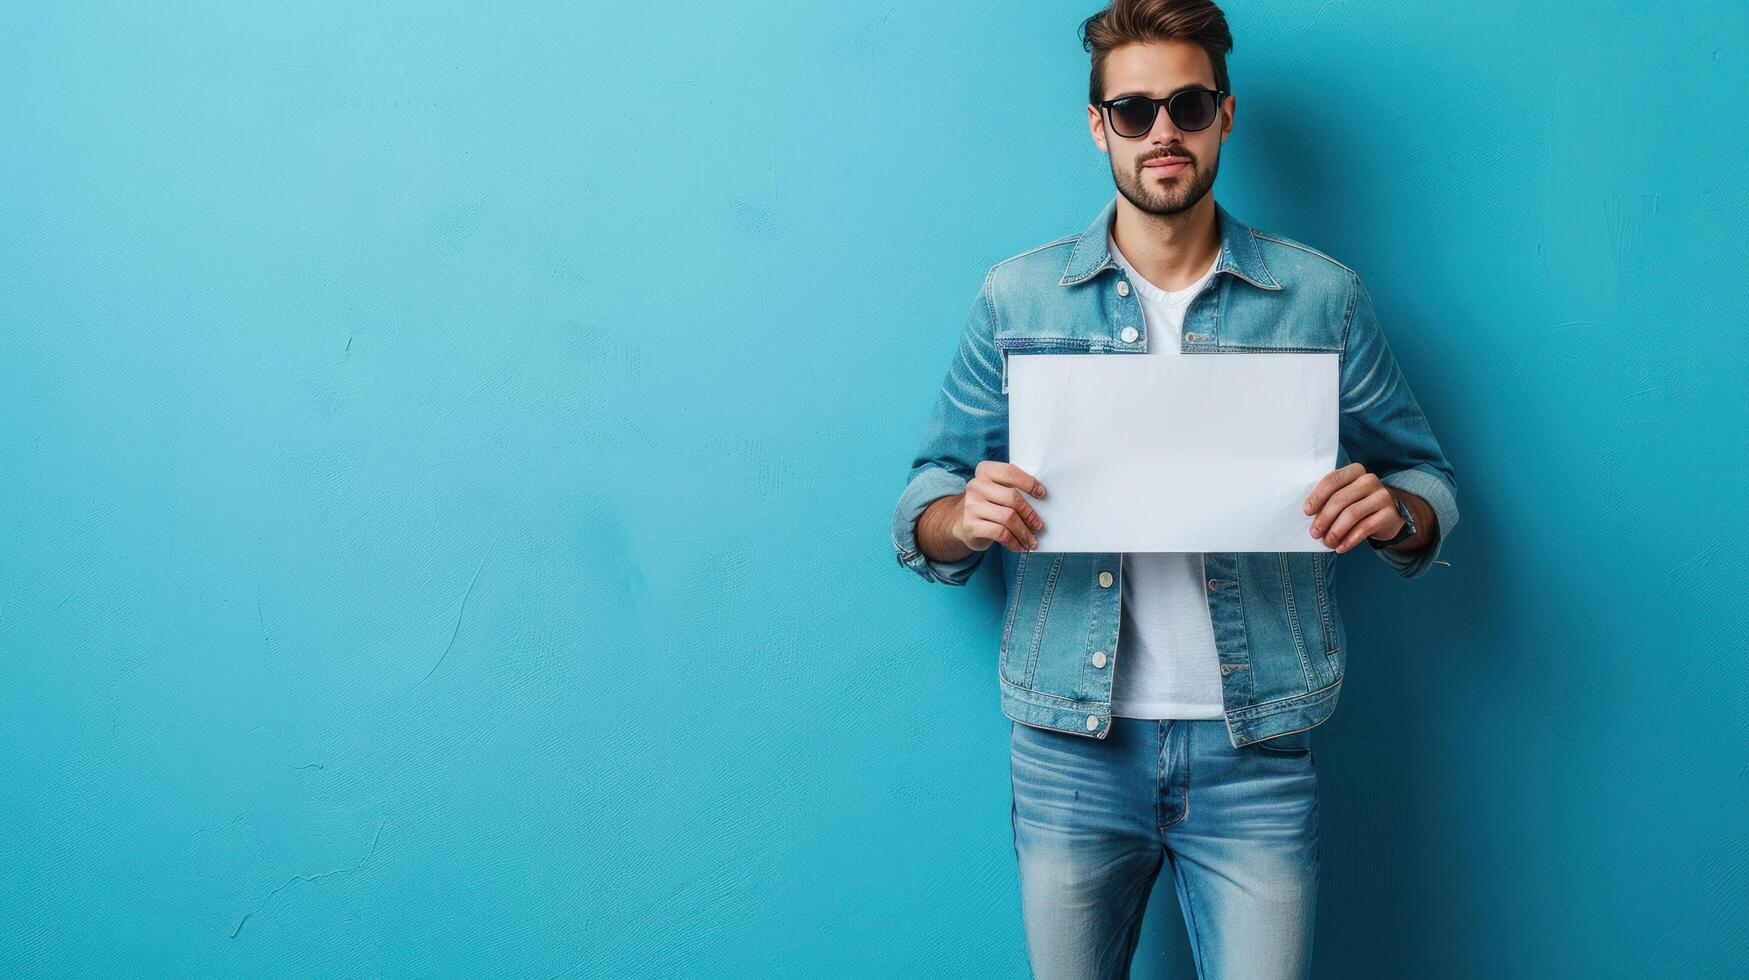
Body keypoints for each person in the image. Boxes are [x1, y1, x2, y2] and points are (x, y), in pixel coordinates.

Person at [888, 1, 1460, 977]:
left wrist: (1397, 512)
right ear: (1098, 124)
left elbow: (1428, 481)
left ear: (1225, 117)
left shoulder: (1321, 297)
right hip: (1070, 746)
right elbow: (926, 495)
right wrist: (958, 518)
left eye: (1188, 106)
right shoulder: (1016, 298)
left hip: (1261, 747)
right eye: (1135, 109)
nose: (1163, 133)